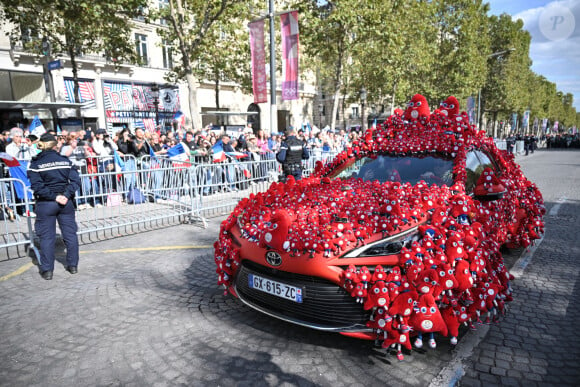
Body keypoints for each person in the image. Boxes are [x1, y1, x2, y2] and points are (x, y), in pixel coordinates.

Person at [27, 133, 81, 280]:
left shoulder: (36, 164)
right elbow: (75, 182)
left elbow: (37, 187)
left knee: (47, 238)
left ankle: (47, 270)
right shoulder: (65, 161)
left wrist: (54, 196)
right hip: (66, 202)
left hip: (46, 203)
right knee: (70, 235)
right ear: (55, 144)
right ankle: (73, 266)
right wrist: (65, 195)